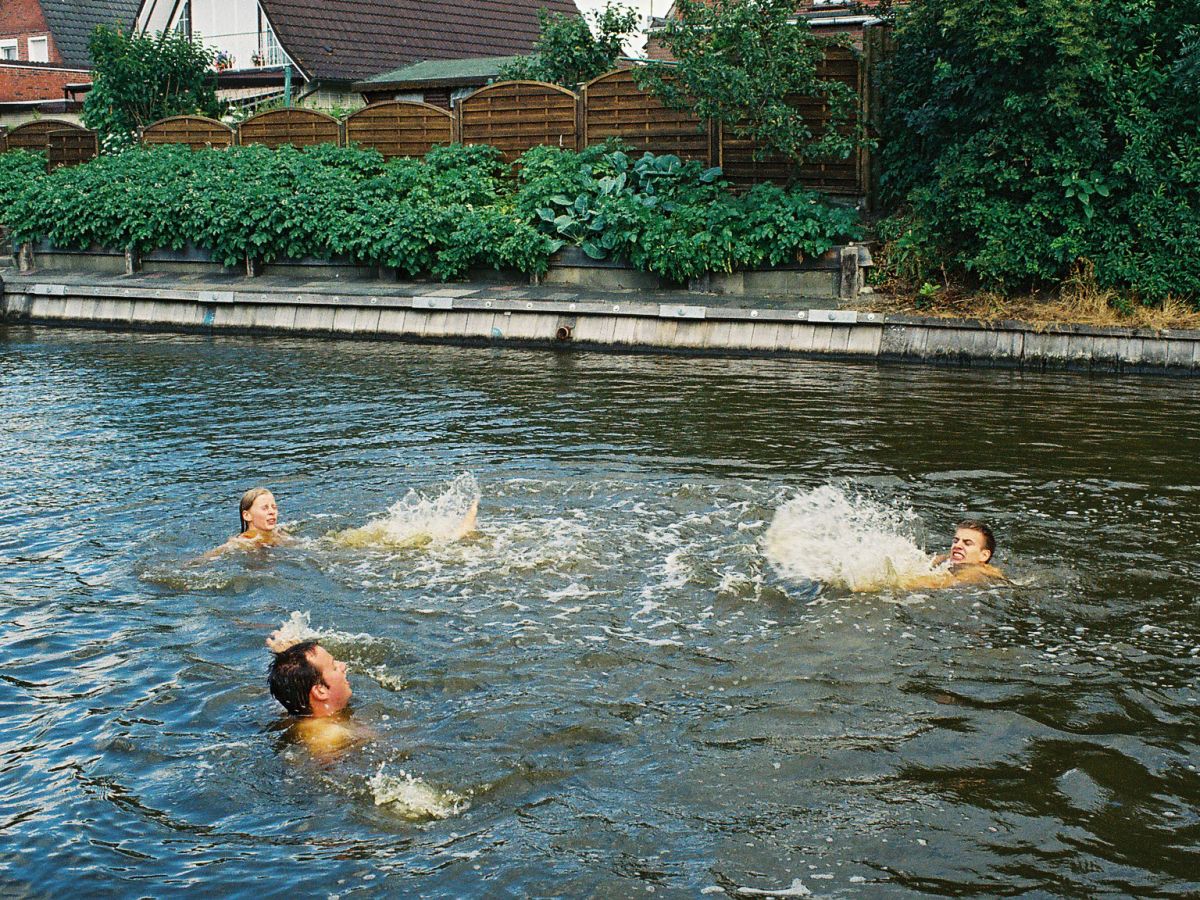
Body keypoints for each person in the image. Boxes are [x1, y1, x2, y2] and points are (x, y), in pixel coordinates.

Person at [266, 636, 357, 756]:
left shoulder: (294, 709)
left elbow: (289, 682)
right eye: (334, 667)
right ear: (320, 691)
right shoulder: (329, 737)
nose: (343, 665)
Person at [907, 519, 1004, 589]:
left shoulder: (975, 572)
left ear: (984, 555)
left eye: (967, 543)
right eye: (956, 541)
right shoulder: (947, 559)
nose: (957, 545)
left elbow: (935, 583)